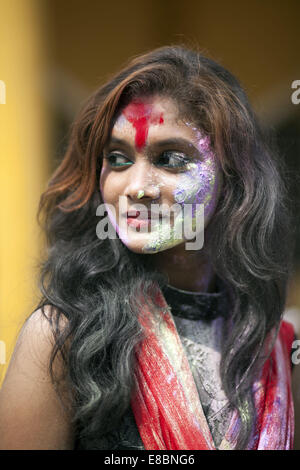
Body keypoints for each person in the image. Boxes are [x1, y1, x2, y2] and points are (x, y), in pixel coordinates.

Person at [0, 45, 298, 450]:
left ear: (234, 178)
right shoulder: (63, 336)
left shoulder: (278, 350)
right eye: (118, 158)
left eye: (170, 158)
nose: (137, 187)